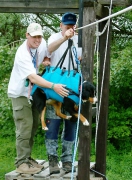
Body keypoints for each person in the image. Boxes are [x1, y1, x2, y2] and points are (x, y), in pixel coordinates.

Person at [7, 22, 69, 174]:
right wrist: (53, 86)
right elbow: (33, 78)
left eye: (40, 36)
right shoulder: (22, 53)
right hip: (20, 94)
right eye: (34, 37)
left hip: (30, 94)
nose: (37, 40)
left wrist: (64, 38)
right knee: (25, 127)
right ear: (27, 35)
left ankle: (27, 158)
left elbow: (48, 49)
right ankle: (21, 162)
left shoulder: (40, 45)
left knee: (34, 125)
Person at [45, 12, 81, 174]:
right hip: (54, 87)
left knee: (71, 125)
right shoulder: (53, 37)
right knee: (53, 123)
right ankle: (52, 160)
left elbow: (83, 60)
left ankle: (67, 160)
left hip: (72, 87)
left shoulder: (79, 40)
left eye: (72, 25)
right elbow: (49, 50)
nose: (69, 27)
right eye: (66, 25)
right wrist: (65, 38)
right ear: (61, 25)